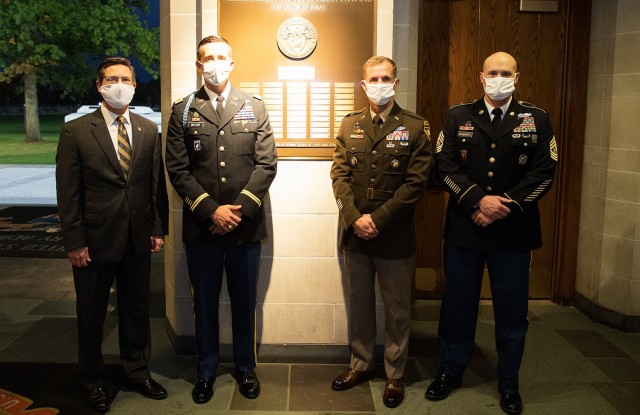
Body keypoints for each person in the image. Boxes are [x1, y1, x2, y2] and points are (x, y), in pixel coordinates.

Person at [426, 51, 558, 415]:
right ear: (481, 77)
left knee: (512, 312)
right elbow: (445, 164)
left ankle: (509, 383)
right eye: (493, 72)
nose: (499, 77)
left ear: (517, 77)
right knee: (457, 306)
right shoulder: (458, 115)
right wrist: (476, 202)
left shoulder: (536, 118)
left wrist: (505, 206)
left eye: (506, 72)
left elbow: (544, 171)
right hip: (465, 228)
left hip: (513, 232)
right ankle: (449, 371)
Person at [164, 35, 277, 404]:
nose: (215, 62)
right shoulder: (183, 110)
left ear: (232, 62)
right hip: (202, 228)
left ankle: (246, 369)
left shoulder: (254, 106)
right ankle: (206, 371)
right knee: (204, 305)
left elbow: (266, 165)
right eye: (208, 57)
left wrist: (237, 211)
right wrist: (211, 209)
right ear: (199, 65)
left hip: (245, 228)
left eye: (222, 56)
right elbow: (177, 169)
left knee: (245, 303)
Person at [56, 57, 169, 413]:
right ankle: (92, 378)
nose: (119, 84)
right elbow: (68, 191)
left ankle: (137, 371)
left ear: (135, 84)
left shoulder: (149, 130)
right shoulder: (76, 131)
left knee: (135, 309)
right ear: (99, 85)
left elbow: (154, 186)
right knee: (91, 313)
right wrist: (74, 241)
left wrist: (156, 229)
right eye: (111, 79)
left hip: (136, 236)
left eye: (125, 78)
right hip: (93, 240)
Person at [330, 56, 432, 408]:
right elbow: (339, 177)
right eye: (373, 79)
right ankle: (360, 364)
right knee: (359, 305)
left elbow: (416, 183)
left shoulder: (416, 127)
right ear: (363, 85)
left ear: (396, 82)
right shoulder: (349, 125)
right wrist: (356, 217)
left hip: (395, 233)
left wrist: (379, 219)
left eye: (385, 77)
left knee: (398, 309)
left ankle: (395, 374)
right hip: (355, 232)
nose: (379, 83)